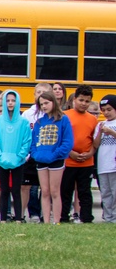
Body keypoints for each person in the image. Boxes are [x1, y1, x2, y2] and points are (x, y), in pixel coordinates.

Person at [30, 91, 73, 224]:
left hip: (56, 160)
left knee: (55, 191)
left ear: (54, 102)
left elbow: (68, 142)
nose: (44, 106)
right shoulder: (39, 122)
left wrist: (55, 155)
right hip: (41, 160)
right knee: (45, 191)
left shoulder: (63, 119)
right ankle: (47, 221)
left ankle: (57, 220)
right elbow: (33, 142)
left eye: (46, 103)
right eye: (41, 104)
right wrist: (36, 155)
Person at [0, 89, 32, 222]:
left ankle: (18, 218)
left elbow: (27, 140)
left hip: (18, 160)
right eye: (8, 100)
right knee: (4, 189)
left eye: (13, 100)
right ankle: (2, 219)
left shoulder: (23, 122)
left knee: (16, 190)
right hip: (2, 160)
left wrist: (21, 156)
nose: (10, 103)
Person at [60, 85, 98, 224]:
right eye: (81, 100)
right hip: (68, 161)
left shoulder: (93, 119)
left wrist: (90, 154)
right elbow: (60, 139)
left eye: (87, 101)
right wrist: (71, 153)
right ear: (74, 99)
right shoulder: (65, 116)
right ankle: (63, 217)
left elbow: (94, 141)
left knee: (85, 192)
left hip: (86, 162)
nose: (83, 104)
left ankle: (86, 218)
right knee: (66, 191)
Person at [20, 83, 53, 221]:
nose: (40, 94)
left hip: (47, 153)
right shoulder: (28, 114)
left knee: (46, 187)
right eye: (38, 92)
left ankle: (45, 215)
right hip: (30, 153)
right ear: (34, 95)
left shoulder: (51, 114)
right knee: (27, 186)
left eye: (44, 92)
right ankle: (24, 214)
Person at [93, 95, 116, 223]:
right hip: (103, 164)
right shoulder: (101, 125)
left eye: (109, 109)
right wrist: (101, 132)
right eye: (103, 110)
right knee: (106, 193)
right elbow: (95, 145)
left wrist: (111, 132)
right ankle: (108, 217)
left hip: (114, 164)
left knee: (115, 193)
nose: (106, 112)